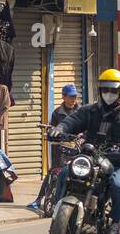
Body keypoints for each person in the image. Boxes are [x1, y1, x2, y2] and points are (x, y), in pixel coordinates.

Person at [47, 69, 120, 234]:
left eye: (113, 90)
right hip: (91, 156)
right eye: (105, 90)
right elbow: (72, 121)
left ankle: (116, 221)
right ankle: (57, 214)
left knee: (117, 185)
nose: (109, 94)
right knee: (64, 173)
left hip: (118, 159)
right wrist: (59, 129)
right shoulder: (90, 110)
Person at [29, 84, 81, 212]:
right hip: (60, 147)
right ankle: (39, 199)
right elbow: (54, 128)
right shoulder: (57, 113)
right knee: (53, 172)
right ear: (64, 97)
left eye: (75, 96)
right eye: (70, 96)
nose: (73, 99)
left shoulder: (81, 111)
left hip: (76, 147)